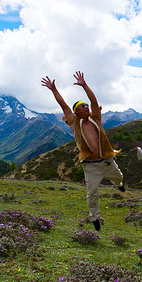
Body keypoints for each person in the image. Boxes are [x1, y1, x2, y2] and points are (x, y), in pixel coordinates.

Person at [41, 71, 124, 231]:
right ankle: (95, 218)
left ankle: (119, 184)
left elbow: (94, 101)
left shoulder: (96, 118)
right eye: (82, 106)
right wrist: (53, 90)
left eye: (86, 106)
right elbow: (64, 106)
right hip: (91, 166)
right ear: (76, 112)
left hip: (107, 161)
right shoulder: (74, 123)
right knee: (92, 193)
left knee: (118, 177)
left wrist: (84, 85)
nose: (86, 107)